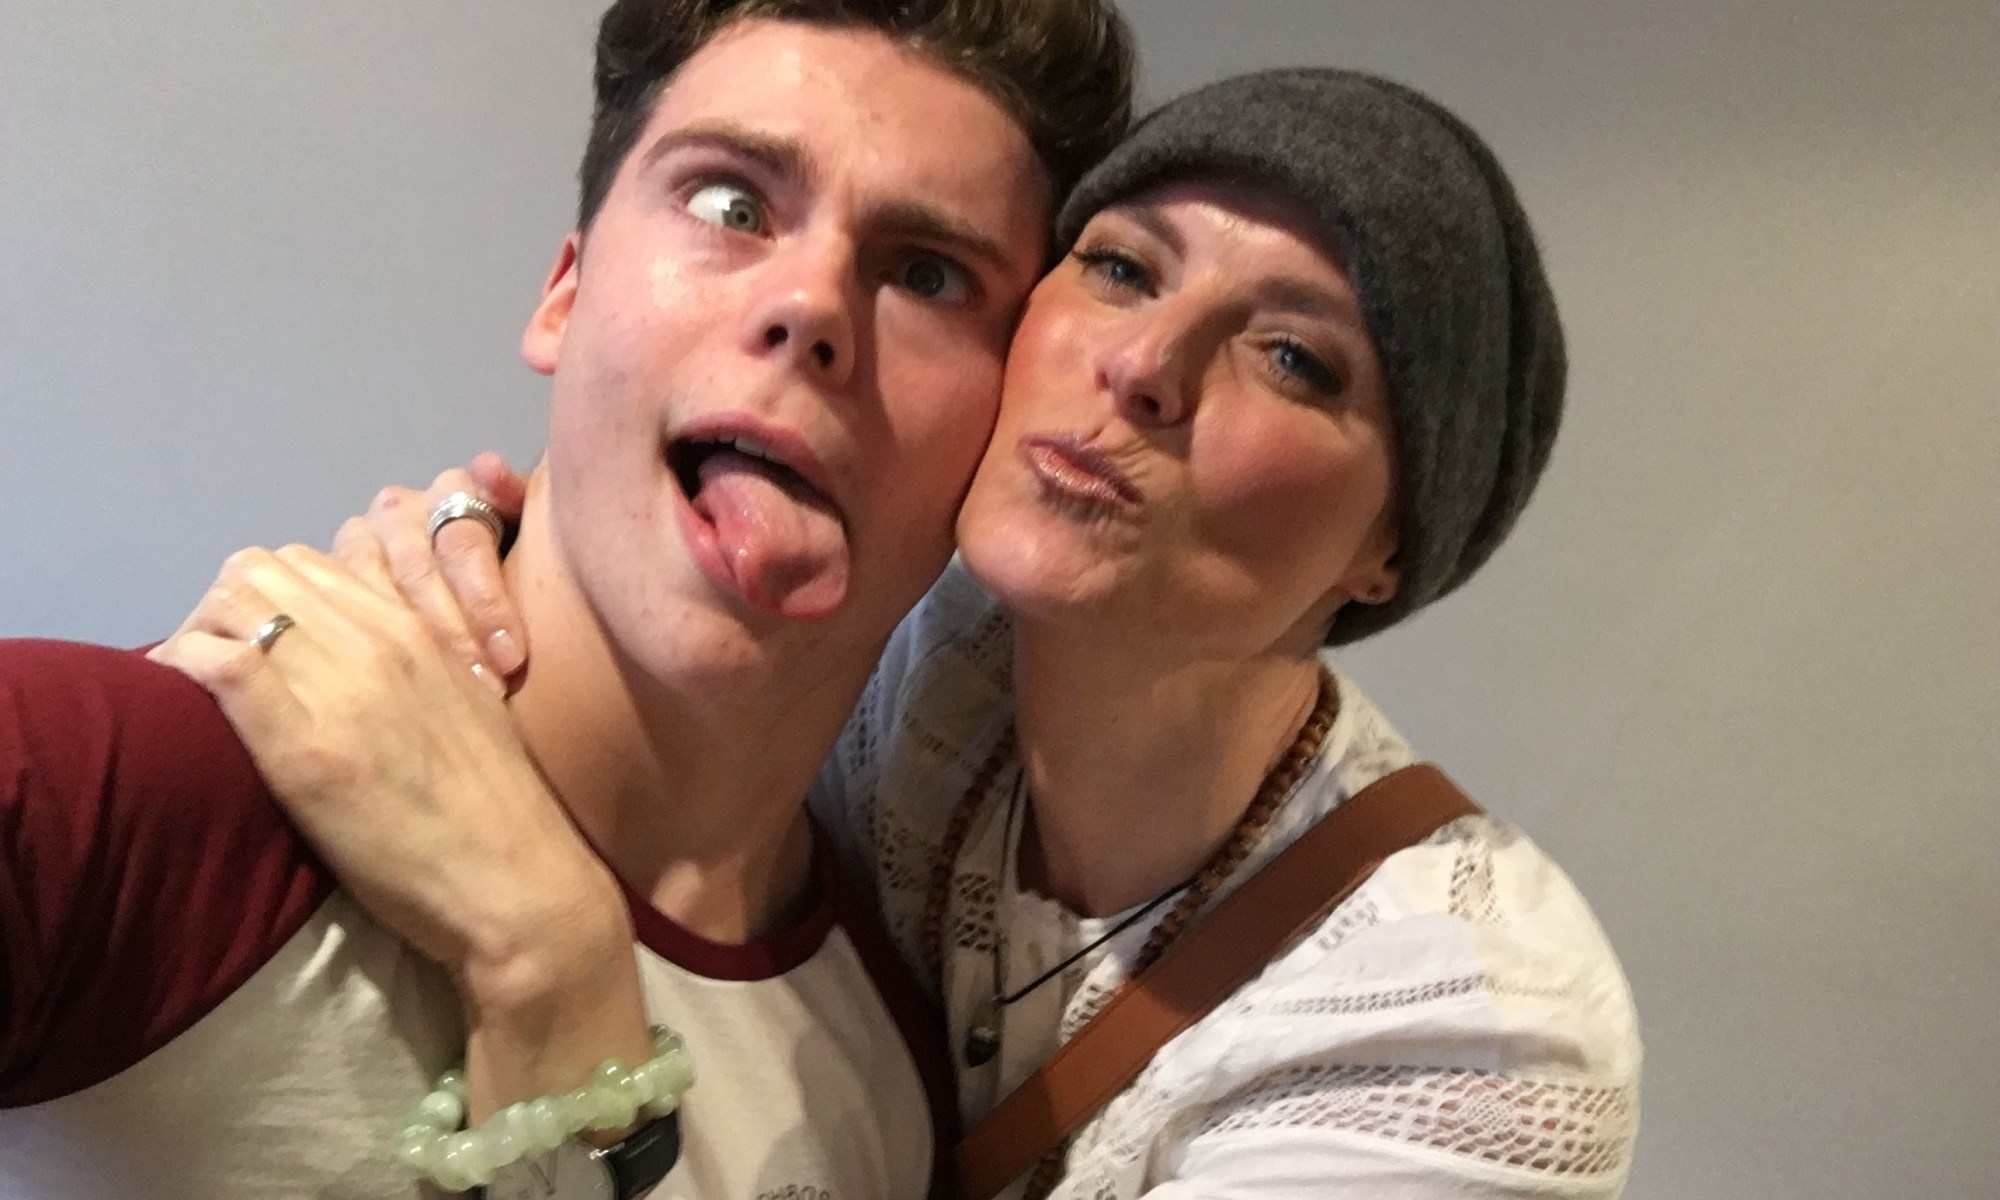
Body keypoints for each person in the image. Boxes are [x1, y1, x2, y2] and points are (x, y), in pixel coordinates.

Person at [183, 69, 1643, 1197]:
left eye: (1292, 356)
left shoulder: (1468, 1030)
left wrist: (547, 957)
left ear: (1395, 541)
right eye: (1122, 267)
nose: (1144, 366)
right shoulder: (912, 640)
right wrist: (466, 547)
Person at [0, 1, 1134, 1197]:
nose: (811, 307)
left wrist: (549, 953)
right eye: (730, 204)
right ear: (564, 294)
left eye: (927, 274)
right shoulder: (102, 791)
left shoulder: (887, 1080)